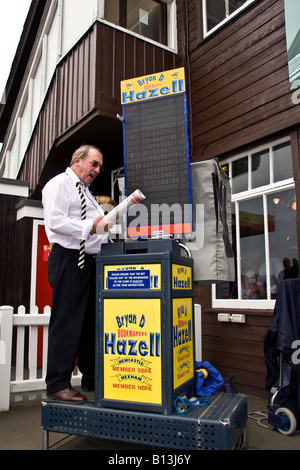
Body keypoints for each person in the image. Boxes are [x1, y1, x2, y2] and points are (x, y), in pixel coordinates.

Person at [42, 145, 111, 403]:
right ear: (77, 159)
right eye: (94, 163)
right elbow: (56, 221)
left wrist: (106, 227)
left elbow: (94, 227)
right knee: (67, 321)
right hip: (70, 258)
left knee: (90, 321)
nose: (97, 170)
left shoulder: (87, 193)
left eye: (100, 167)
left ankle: (91, 376)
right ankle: (58, 383)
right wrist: (90, 226)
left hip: (91, 260)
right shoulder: (58, 184)